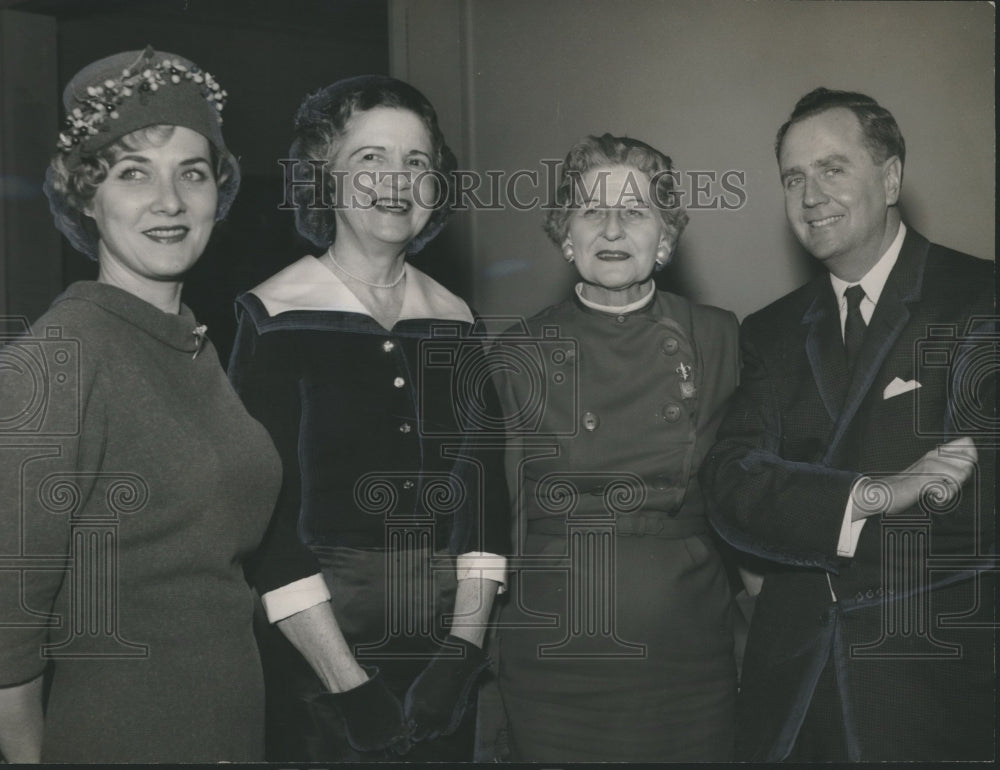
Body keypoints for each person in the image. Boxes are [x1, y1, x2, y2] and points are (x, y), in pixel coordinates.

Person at [0, 47, 281, 763]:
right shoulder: (56, 361)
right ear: (85, 195)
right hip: (121, 735)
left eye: (192, 172)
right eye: (133, 173)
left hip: (230, 730)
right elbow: (8, 621)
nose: (170, 201)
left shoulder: (191, 345)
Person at [701, 87, 996, 762]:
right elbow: (727, 486)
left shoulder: (978, 298)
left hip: (927, 684)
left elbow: (979, 505)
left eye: (833, 169)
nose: (811, 196)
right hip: (791, 694)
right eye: (793, 178)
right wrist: (872, 493)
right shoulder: (769, 330)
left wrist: (797, 516)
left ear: (890, 177)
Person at [227, 75, 511, 762]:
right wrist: (347, 685)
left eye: (416, 162)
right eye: (370, 158)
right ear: (324, 174)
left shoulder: (458, 322)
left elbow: (483, 502)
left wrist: (460, 657)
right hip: (316, 671)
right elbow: (264, 522)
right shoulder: (272, 317)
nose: (396, 180)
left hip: (445, 662)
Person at [488, 134, 740, 762]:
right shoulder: (517, 351)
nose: (612, 228)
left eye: (635, 211)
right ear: (565, 236)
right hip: (555, 655)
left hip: (688, 652)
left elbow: (743, 495)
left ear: (667, 238)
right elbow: (501, 514)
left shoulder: (719, 336)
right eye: (591, 211)